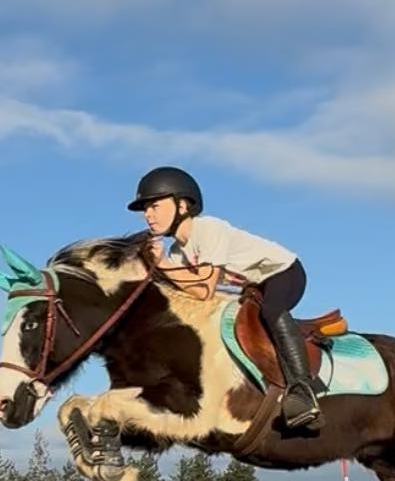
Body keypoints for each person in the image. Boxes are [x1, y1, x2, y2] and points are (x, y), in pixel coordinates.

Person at [127, 166, 321, 430]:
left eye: (155, 206)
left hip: (283, 273)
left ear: (182, 205)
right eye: (145, 210)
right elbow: (185, 295)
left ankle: (302, 390)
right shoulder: (175, 253)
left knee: (271, 312)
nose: (148, 215)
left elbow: (204, 289)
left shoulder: (208, 229)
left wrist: (160, 265)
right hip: (250, 289)